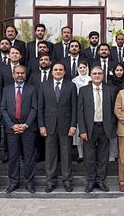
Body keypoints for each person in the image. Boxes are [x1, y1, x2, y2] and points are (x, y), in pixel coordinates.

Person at [38, 62, 78, 193]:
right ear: (51, 71)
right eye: (55, 69)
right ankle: (51, 181)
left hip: (66, 126)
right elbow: (40, 108)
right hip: (49, 126)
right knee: (50, 155)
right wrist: (41, 125)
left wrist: (73, 125)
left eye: (61, 69)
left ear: (65, 72)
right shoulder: (44, 86)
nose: (58, 71)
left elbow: (74, 107)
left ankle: (67, 180)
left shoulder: (71, 86)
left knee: (66, 154)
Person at [78, 66, 117, 193]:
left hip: (105, 127)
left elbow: (114, 111)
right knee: (89, 156)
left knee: (103, 156)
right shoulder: (84, 90)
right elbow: (80, 112)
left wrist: (112, 127)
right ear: (90, 75)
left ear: (103, 74)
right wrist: (82, 130)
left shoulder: (110, 90)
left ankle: (100, 180)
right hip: (90, 128)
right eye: (94, 73)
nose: (97, 75)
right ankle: (90, 181)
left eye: (99, 73)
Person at [1, 65, 38, 193]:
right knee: (13, 157)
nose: (20, 75)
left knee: (29, 157)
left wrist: (25, 125)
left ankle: (30, 183)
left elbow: (34, 108)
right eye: (17, 73)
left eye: (22, 73)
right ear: (13, 75)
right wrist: (13, 125)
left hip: (28, 128)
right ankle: (13, 182)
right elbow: (3, 109)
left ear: (25, 75)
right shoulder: (6, 90)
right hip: (12, 129)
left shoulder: (32, 89)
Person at [72, 60, 91, 163]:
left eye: (84, 67)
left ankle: (88, 154)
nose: (82, 69)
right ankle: (80, 155)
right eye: (80, 68)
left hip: (89, 107)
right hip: (79, 107)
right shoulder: (74, 80)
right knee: (80, 132)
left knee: (88, 132)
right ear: (78, 69)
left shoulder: (91, 78)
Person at [108, 63, 124, 161]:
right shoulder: (109, 83)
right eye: (117, 70)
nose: (119, 72)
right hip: (112, 110)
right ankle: (113, 154)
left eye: (121, 70)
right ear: (113, 71)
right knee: (113, 134)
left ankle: (123, 154)